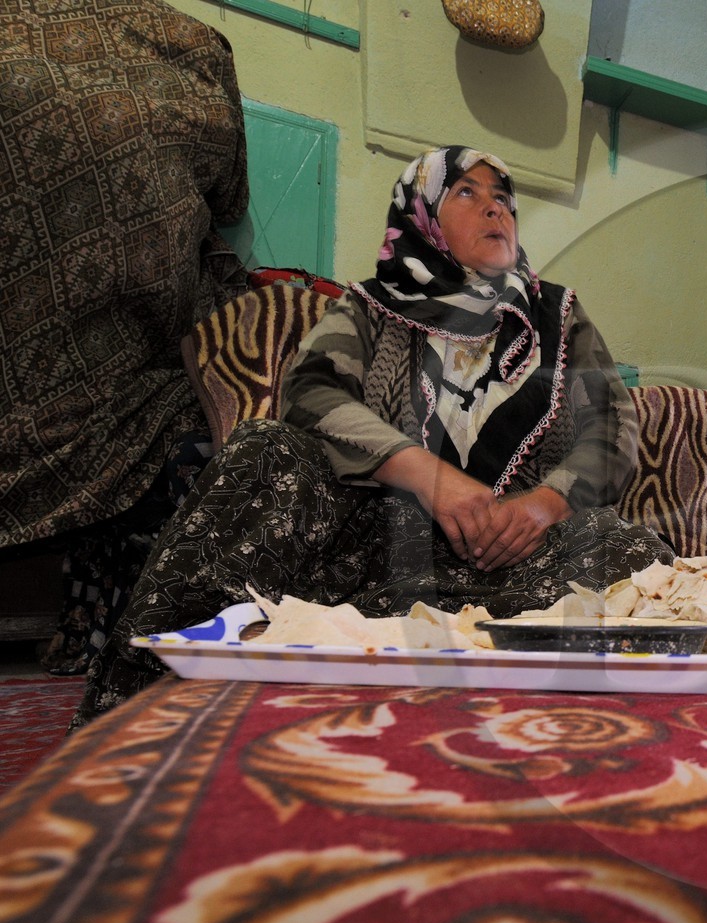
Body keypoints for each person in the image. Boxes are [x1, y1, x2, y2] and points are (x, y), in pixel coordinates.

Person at [79, 146, 673, 723]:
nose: (497, 210)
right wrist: (429, 476)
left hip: (496, 559)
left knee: (635, 555)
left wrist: (543, 506)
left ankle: (391, 646)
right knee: (263, 453)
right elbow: (310, 392)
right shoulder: (372, 305)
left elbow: (612, 426)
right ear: (420, 213)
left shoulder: (557, 315)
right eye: (467, 192)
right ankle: (136, 704)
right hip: (370, 544)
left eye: (505, 200)